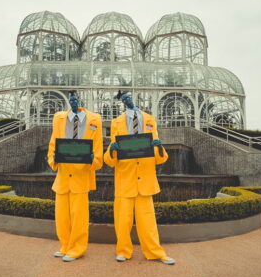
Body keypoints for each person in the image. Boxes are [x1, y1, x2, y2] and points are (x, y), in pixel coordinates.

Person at [104, 91, 175, 265]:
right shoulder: (116, 122)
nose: (127, 99)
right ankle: (123, 250)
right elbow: (110, 161)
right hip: (125, 178)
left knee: (148, 221)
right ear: (121, 102)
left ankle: (155, 252)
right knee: (122, 220)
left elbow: (160, 158)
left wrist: (159, 148)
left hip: (145, 179)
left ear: (133, 98)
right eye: (123, 98)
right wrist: (112, 150)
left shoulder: (150, 119)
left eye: (128, 97)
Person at [47, 91, 103, 262]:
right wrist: (53, 160)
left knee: (79, 216)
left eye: (75, 98)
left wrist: (94, 160)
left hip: (81, 176)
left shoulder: (95, 119)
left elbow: (98, 148)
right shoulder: (59, 118)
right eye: (70, 99)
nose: (73, 101)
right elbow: (53, 144)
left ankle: (77, 248)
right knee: (61, 216)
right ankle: (65, 246)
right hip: (63, 176)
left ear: (80, 100)